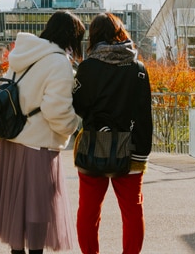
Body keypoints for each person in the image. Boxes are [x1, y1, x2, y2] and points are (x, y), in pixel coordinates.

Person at [0, 10, 86, 254]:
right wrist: (75, 124)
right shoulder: (58, 61)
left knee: (16, 213)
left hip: (12, 141)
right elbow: (56, 110)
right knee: (39, 214)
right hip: (38, 145)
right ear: (70, 37)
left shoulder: (23, 54)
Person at [71, 13, 152, 254]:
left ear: (94, 37)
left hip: (94, 145)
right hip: (130, 149)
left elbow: (79, 106)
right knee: (132, 210)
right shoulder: (137, 68)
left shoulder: (87, 68)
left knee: (88, 210)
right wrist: (142, 153)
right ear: (120, 33)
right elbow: (144, 113)